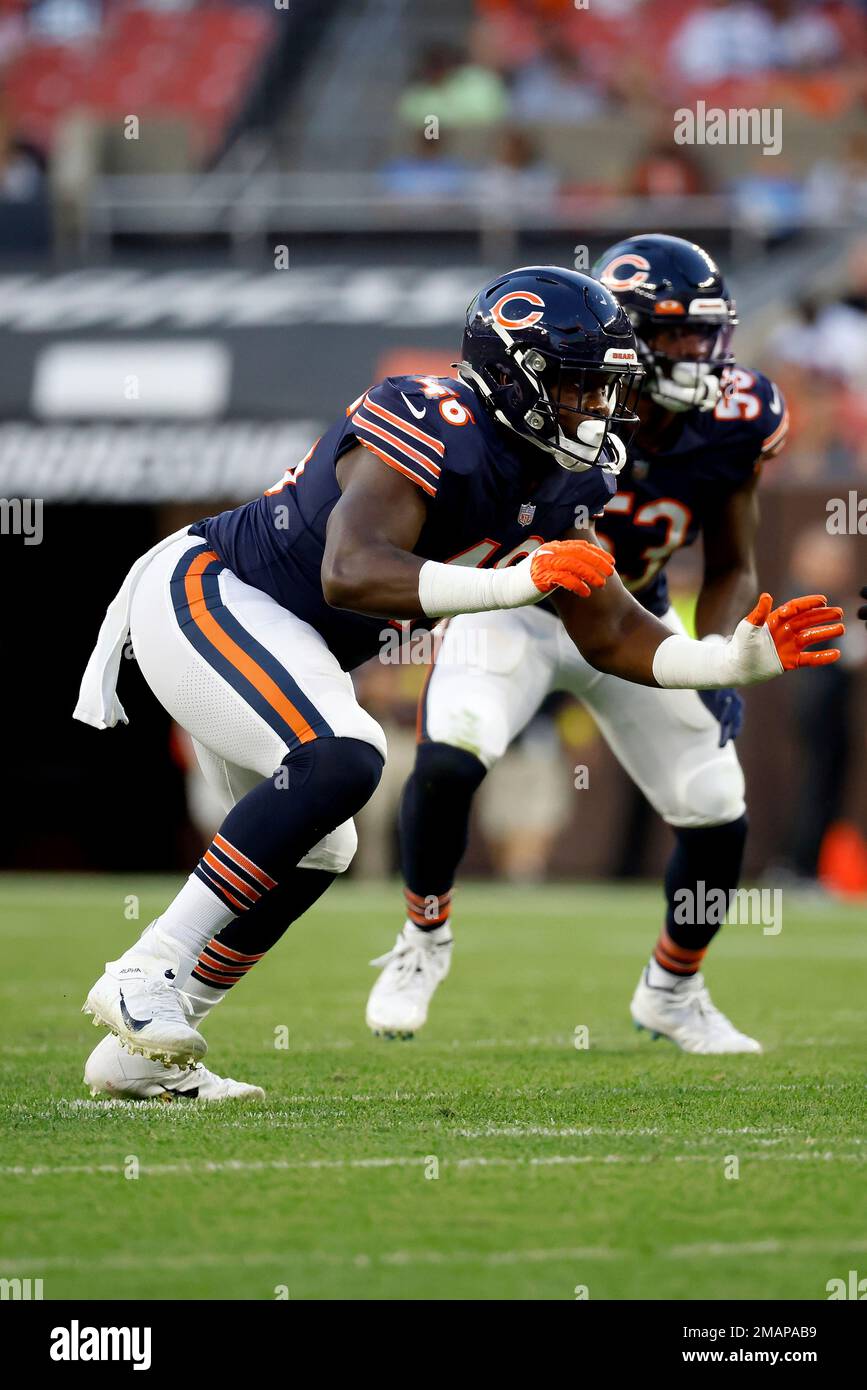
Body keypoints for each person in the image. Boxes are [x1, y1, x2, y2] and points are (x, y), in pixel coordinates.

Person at [74, 265, 840, 1099]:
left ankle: (140, 1053)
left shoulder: (572, 478)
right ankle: (141, 971)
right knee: (345, 757)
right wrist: (518, 581)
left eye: (607, 387)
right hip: (211, 589)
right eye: (580, 385)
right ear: (515, 376)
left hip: (283, 634)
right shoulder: (431, 416)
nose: (599, 407)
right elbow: (351, 570)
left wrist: (728, 660)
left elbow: (614, 630)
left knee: (326, 842)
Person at [365, 235, 839, 1055]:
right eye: (678, 335)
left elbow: (731, 559)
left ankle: (673, 990)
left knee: (714, 803)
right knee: (449, 759)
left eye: (707, 335)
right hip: (515, 609)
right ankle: (422, 940)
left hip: (629, 625)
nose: (700, 355)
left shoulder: (737, 416)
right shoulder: (555, 398)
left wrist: (721, 651)